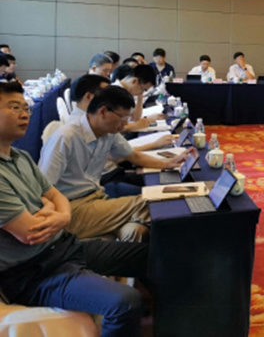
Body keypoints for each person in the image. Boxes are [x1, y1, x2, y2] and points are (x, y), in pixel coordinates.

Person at [0, 82, 149, 336]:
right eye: (14, 108)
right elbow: (32, 232)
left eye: (26, 108)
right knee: (125, 302)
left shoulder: (21, 157)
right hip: (35, 272)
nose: (24, 114)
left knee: (152, 256)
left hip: (66, 247)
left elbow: (55, 195)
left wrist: (61, 214)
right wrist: (60, 212)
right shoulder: (64, 137)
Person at [39, 86, 188, 242]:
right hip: (71, 208)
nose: (126, 123)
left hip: (97, 199)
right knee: (149, 202)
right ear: (103, 112)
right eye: (123, 117)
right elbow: (42, 188)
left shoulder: (108, 133)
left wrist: (168, 163)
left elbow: (133, 156)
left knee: (136, 231)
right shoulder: (65, 137)